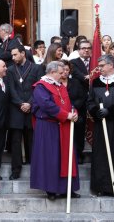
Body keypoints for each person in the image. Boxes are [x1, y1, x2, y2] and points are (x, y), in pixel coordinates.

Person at [31, 61, 80, 200]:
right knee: (51, 159)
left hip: (63, 125)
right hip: (48, 126)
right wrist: (66, 115)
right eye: (60, 72)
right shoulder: (40, 86)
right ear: (52, 72)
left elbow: (68, 103)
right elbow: (47, 105)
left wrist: (73, 112)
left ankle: (67, 189)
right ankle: (51, 189)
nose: (63, 74)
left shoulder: (60, 86)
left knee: (65, 157)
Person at [86, 54, 114, 196]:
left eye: (101, 66)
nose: (99, 69)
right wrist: (96, 111)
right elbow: (90, 100)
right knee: (101, 154)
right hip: (101, 124)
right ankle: (102, 186)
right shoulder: (96, 81)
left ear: (111, 65)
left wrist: (110, 111)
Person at [7, 45, 43, 180]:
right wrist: (20, 103)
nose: (13, 57)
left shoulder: (37, 68)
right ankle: (15, 170)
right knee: (15, 141)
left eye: (15, 54)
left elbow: (39, 87)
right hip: (16, 109)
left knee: (32, 140)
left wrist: (30, 103)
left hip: (32, 108)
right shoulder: (10, 70)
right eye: (12, 55)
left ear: (23, 53)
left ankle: (35, 168)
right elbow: (11, 89)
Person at [61, 60, 88, 163]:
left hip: (76, 114)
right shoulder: (55, 84)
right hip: (61, 115)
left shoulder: (76, 82)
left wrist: (72, 107)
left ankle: (78, 156)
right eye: (63, 69)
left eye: (67, 70)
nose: (65, 72)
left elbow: (82, 97)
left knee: (78, 135)